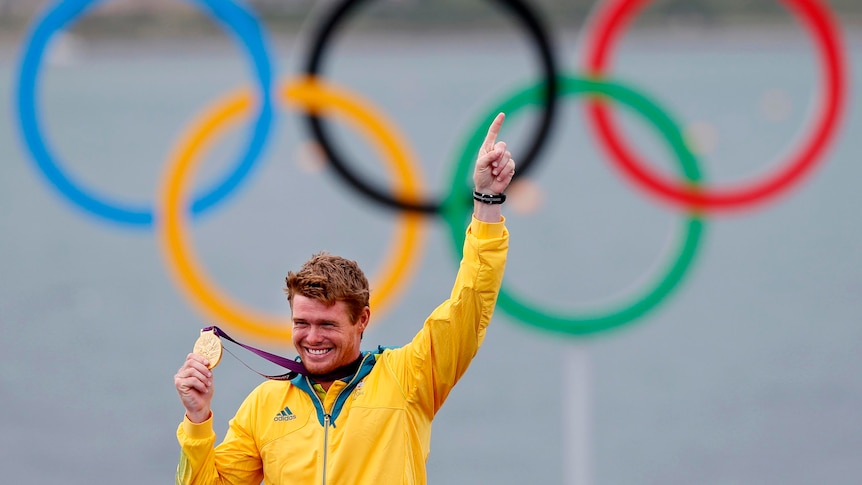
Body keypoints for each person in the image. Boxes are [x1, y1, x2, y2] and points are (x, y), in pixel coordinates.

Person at [174, 112, 515, 484]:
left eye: (327, 324)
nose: (312, 337)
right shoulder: (265, 404)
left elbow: (471, 301)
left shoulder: (409, 378)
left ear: (362, 319)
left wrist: (487, 200)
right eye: (301, 323)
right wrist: (197, 420)